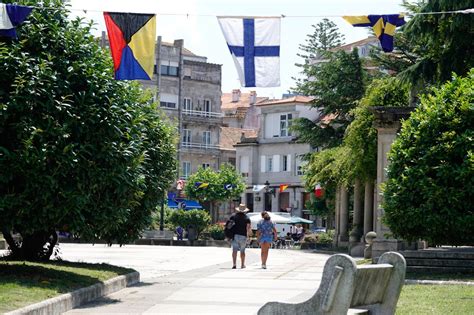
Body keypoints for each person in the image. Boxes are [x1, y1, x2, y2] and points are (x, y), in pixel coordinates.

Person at [229, 204, 251, 269]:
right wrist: (249, 236)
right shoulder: (247, 218)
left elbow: (229, 225)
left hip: (235, 235)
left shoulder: (233, 216)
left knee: (234, 250)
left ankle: (234, 264)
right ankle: (242, 264)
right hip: (243, 236)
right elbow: (248, 228)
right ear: (245, 211)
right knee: (242, 251)